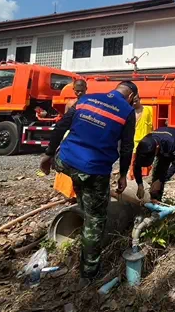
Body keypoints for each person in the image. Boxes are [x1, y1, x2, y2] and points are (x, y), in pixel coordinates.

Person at [39, 81, 137, 286]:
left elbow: (62, 126)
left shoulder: (86, 99)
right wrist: (122, 175)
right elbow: (127, 147)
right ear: (131, 97)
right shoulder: (127, 111)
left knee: (81, 187)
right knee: (95, 220)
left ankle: (81, 213)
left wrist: (48, 155)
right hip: (94, 169)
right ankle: (88, 274)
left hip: (65, 161)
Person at [132, 127, 175, 203]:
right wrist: (140, 184)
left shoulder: (171, 143)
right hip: (164, 147)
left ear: (157, 148)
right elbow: (136, 164)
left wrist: (161, 180)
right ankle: (156, 200)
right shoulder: (143, 145)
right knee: (158, 170)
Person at [53, 79, 88, 199]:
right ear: (73, 90)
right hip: (71, 135)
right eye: (77, 91)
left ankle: (79, 193)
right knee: (67, 162)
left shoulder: (90, 103)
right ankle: (68, 192)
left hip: (84, 137)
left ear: (86, 89)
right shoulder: (70, 104)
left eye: (81, 90)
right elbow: (65, 122)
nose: (79, 93)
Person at [128, 93, 154, 181]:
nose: (134, 103)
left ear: (140, 99)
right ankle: (132, 175)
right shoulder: (129, 112)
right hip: (134, 140)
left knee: (146, 160)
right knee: (133, 160)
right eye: (132, 102)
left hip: (147, 139)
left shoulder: (149, 109)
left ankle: (145, 177)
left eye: (136, 101)